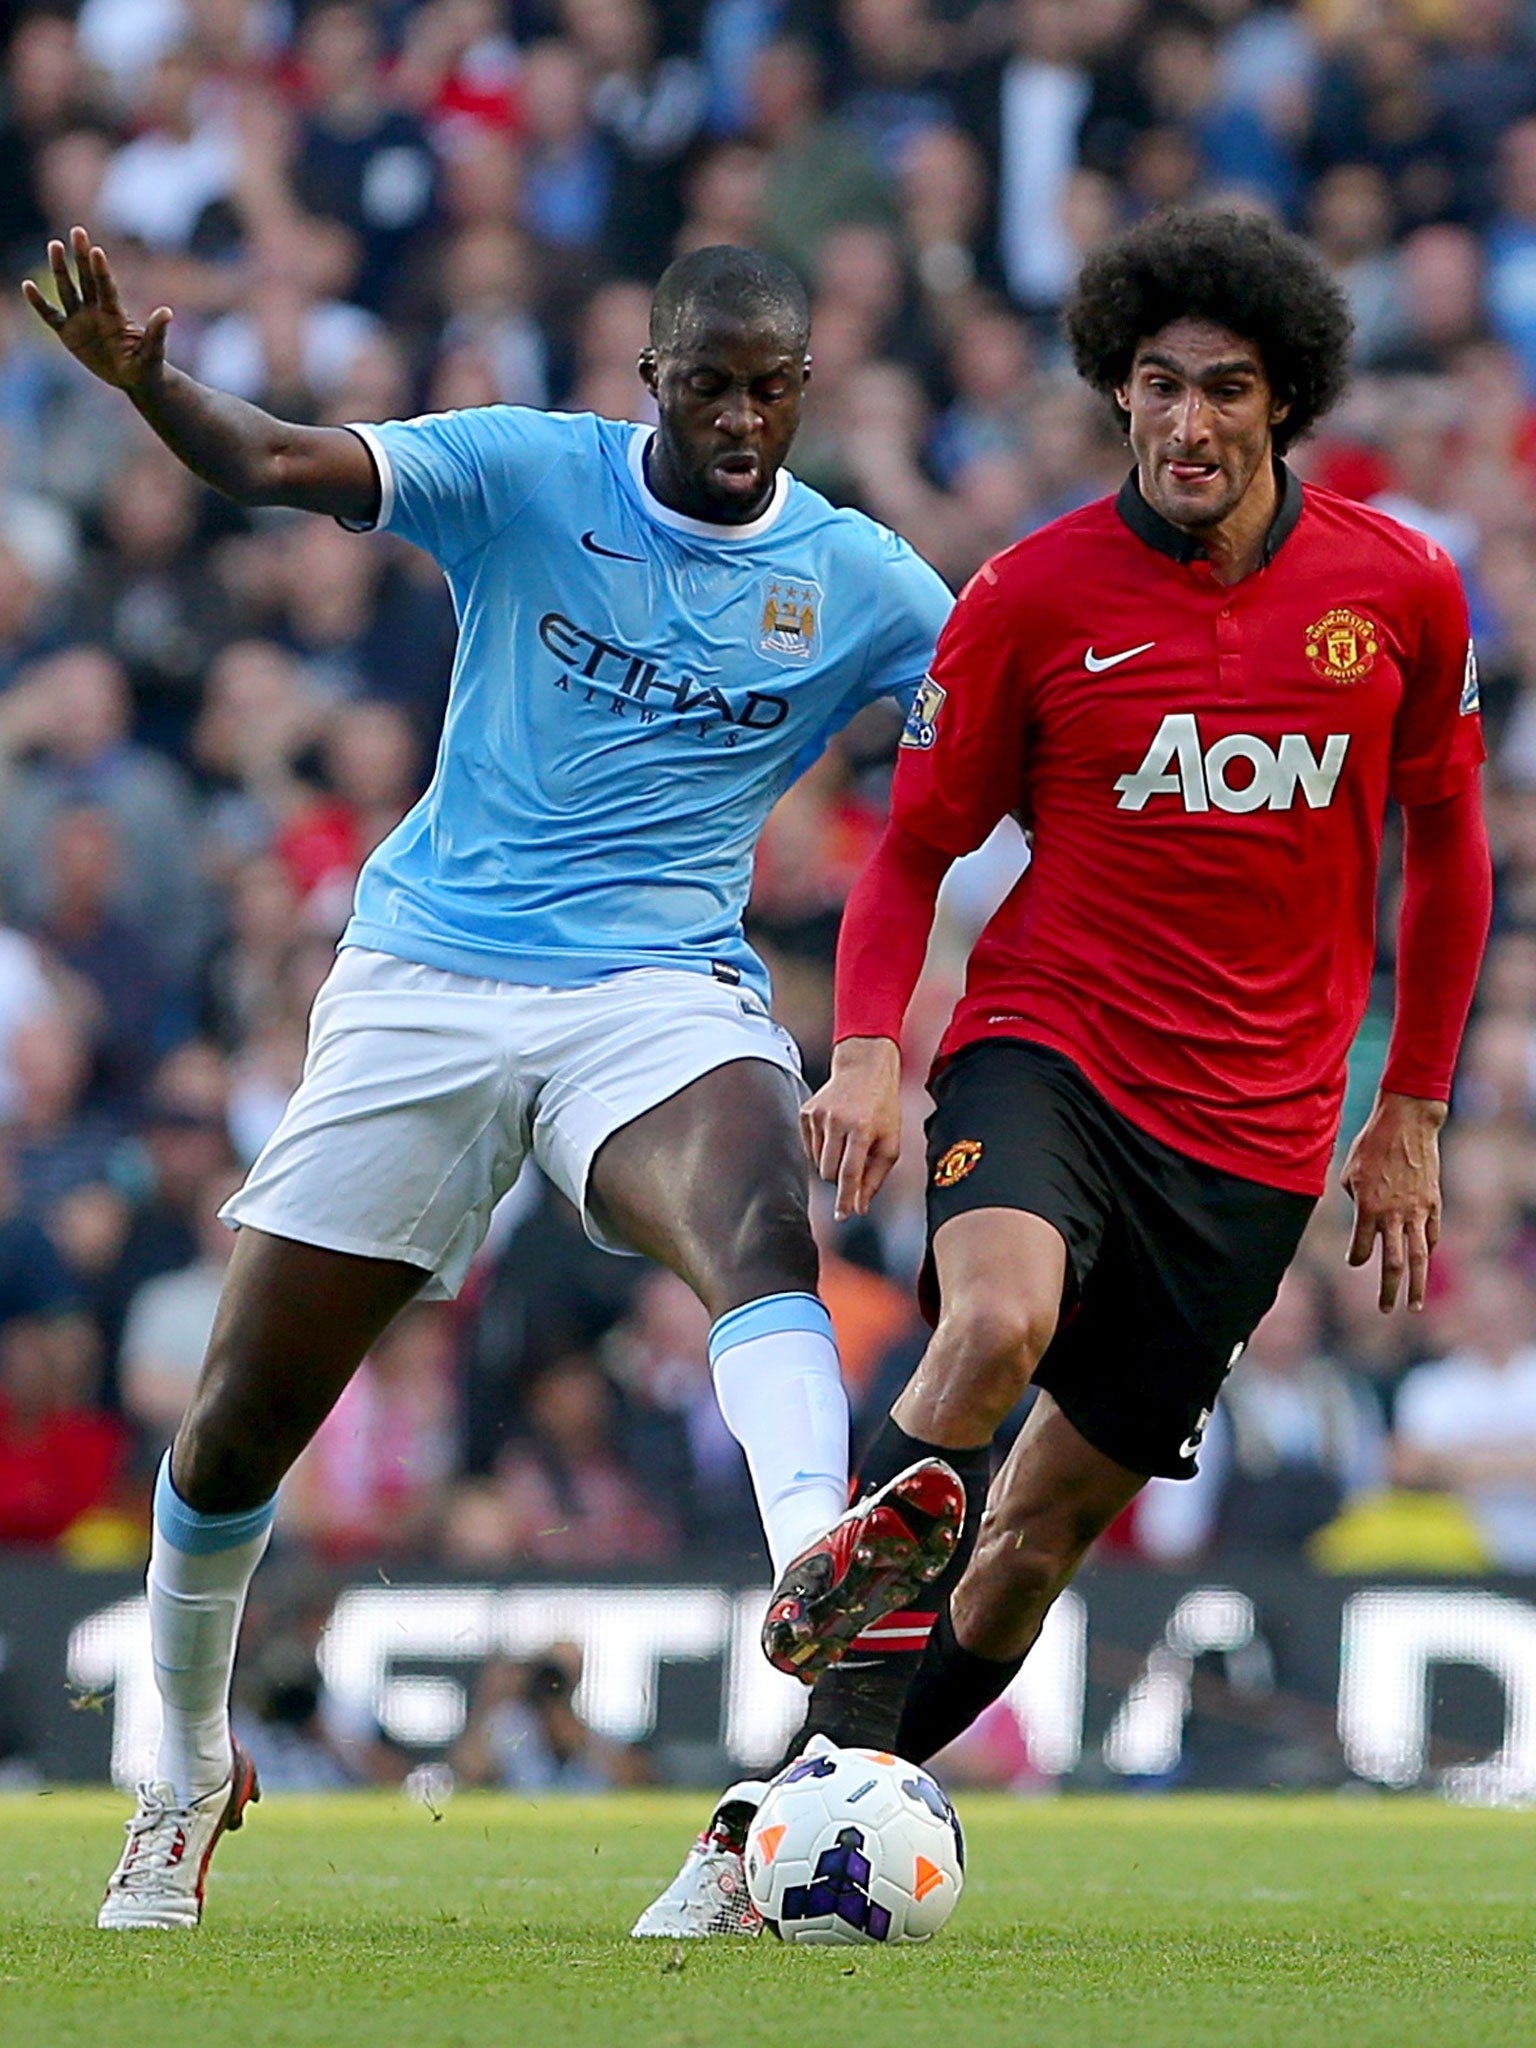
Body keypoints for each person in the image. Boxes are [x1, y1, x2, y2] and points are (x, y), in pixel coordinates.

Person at [24, 228, 965, 1930]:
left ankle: (816, 1557)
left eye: (771, 389)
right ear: (649, 386)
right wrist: (150, 384)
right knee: (240, 1425)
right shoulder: (527, 472)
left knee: (761, 1217)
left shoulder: (866, 581)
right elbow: (281, 462)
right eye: (709, 387)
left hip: (658, 996)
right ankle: (179, 1761)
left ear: (805, 389)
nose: (742, 418)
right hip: (429, 983)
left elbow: (1007, 732)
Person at [638, 207, 1492, 1936]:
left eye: (1226, 392)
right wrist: (873, 1048)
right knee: (993, 1325)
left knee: (1031, 1546)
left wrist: (1409, 1108)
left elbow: (1451, 853)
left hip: (1253, 1137)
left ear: (1285, 405)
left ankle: (780, 1817)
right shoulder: (1028, 598)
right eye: (1157, 387)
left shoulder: (1395, 589)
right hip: (1053, 1052)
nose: (1188, 425)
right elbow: (907, 851)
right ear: (1118, 394)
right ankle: (836, 1586)